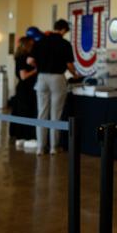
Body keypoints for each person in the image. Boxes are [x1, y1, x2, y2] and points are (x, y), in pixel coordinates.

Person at [27, 19, 79, 155]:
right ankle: (53, 148)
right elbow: (69, 65)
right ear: (62, 30)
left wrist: (40, 66)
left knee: (42, 114)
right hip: (57, 78)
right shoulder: (65, 43)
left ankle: (40, 147)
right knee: (56, 115)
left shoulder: (40, 42)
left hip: (42, 77)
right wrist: (75, 74)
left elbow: (30, 60)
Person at [9, 36, 37, 142]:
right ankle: (24, 136)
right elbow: (23, 76)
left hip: (25, 88)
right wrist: (36, 70)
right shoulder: (23, 57)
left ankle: (19, 135)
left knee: (20, 111)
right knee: (24, 112)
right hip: (25, 89)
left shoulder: (21, 56)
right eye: (31, 44)